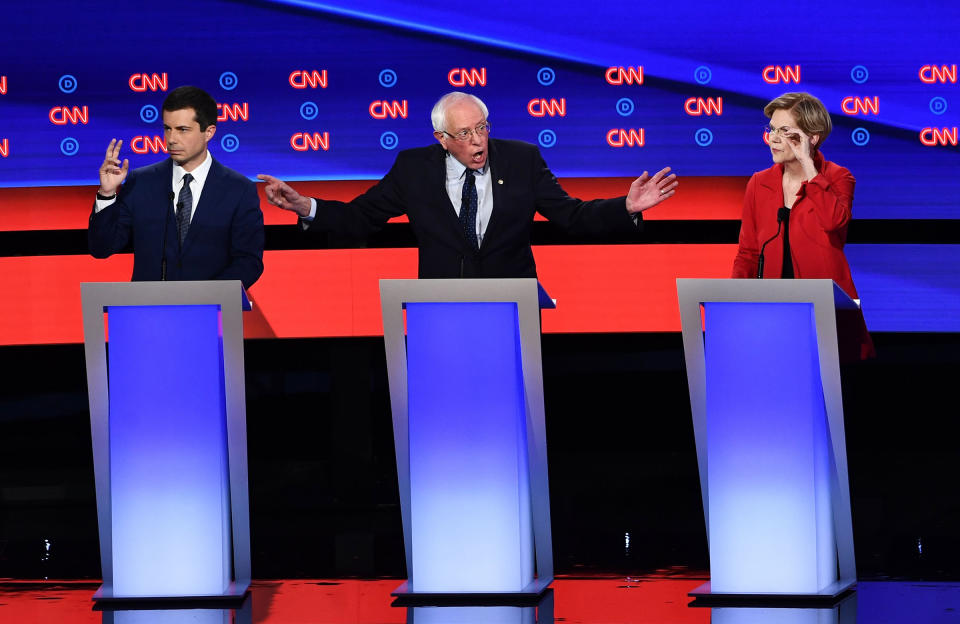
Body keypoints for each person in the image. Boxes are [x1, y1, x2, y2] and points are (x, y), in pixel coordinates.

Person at [257, 91, 677, 279]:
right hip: (439, 310)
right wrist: (305, 206)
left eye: (482, 128)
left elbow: (572, 215)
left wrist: (626, 206)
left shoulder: (522, 159)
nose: (477, 141)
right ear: (442, 139)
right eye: (464, 134)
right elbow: (361, 218)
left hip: (512, 308)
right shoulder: (414, 168)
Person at [732, 91, 873, 359]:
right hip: (774, 314)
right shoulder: (758, 183)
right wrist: (734, 306)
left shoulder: (838, 177)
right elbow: (747, 253)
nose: (773, 138)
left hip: (825, 312)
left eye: (784, 131)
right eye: (772, 129)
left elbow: (833, 221)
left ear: (812, 138)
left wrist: (809, 166)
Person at [89, 85, 264, 289]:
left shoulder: (239, 190)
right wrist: (107, 194)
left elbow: (249, 262)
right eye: (167, 128)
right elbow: (102, 248)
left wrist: (208, 298)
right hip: (149, 312)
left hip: (210, 314)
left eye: (182, 130)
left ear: (208, 132)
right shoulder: (141, 182)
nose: (171, 139)